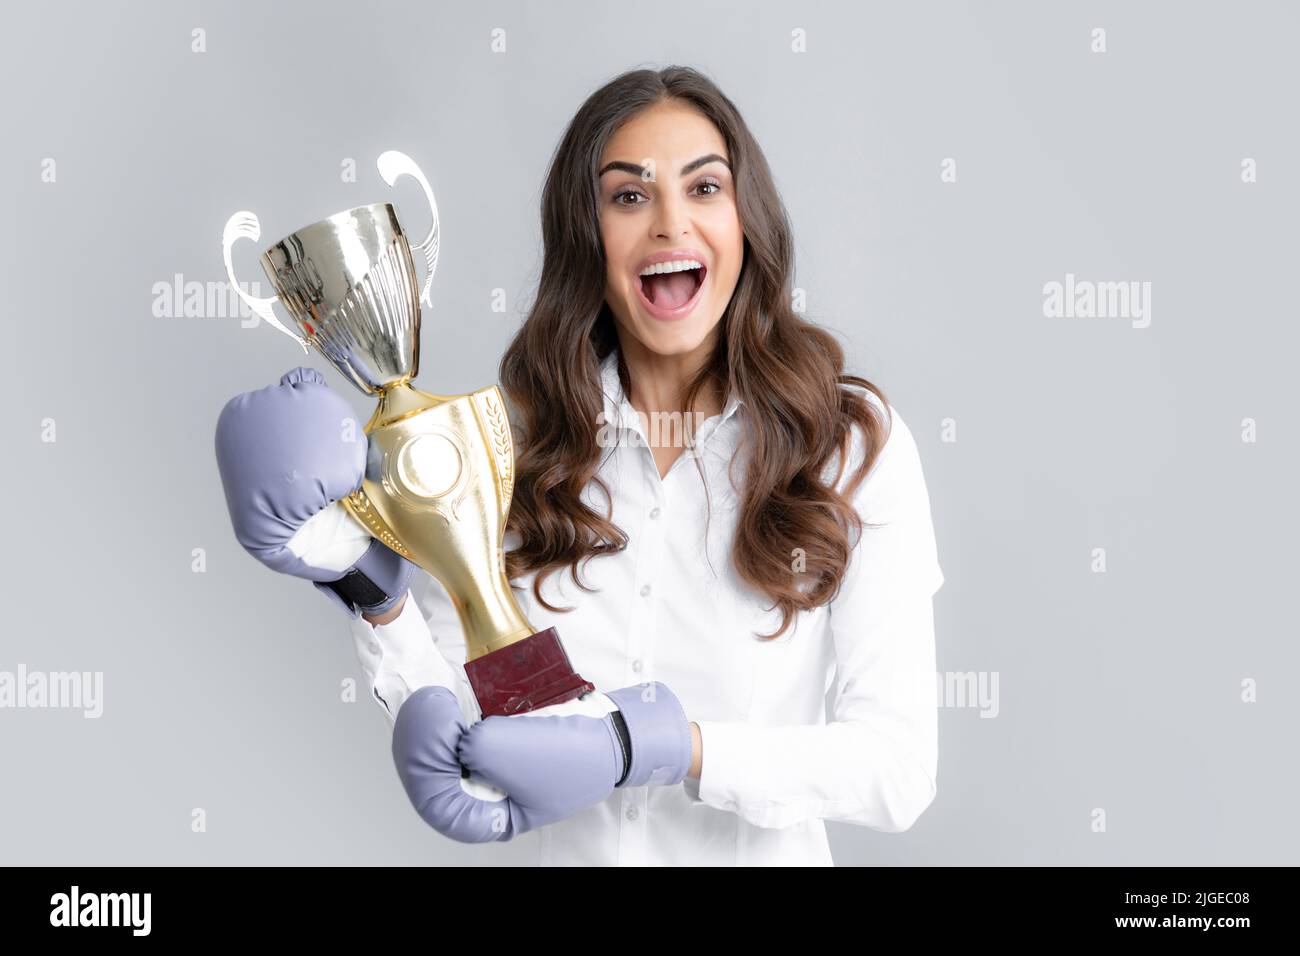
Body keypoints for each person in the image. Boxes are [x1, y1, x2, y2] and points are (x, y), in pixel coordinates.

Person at [215, 65, 944, 866]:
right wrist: (367, 588)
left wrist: (668, 748)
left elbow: (896, 769)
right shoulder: (510, 448)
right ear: (585, 235)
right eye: (629, 196)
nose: (671, 224)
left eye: (705, 189)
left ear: (748, 221)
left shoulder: (846, 443)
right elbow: (472, 725)